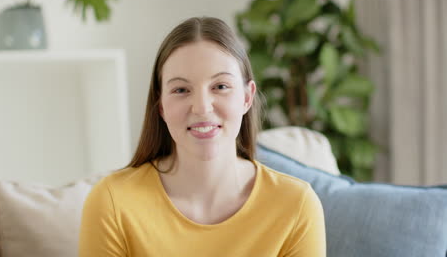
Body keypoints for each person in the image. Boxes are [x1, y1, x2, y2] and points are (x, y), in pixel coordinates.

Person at [79, 16, 326, 257]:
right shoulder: (112, 203)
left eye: (220, 86)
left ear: (247, 97)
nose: (202, 107)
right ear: (161, 105)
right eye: (181, 90)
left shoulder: (296, 205)